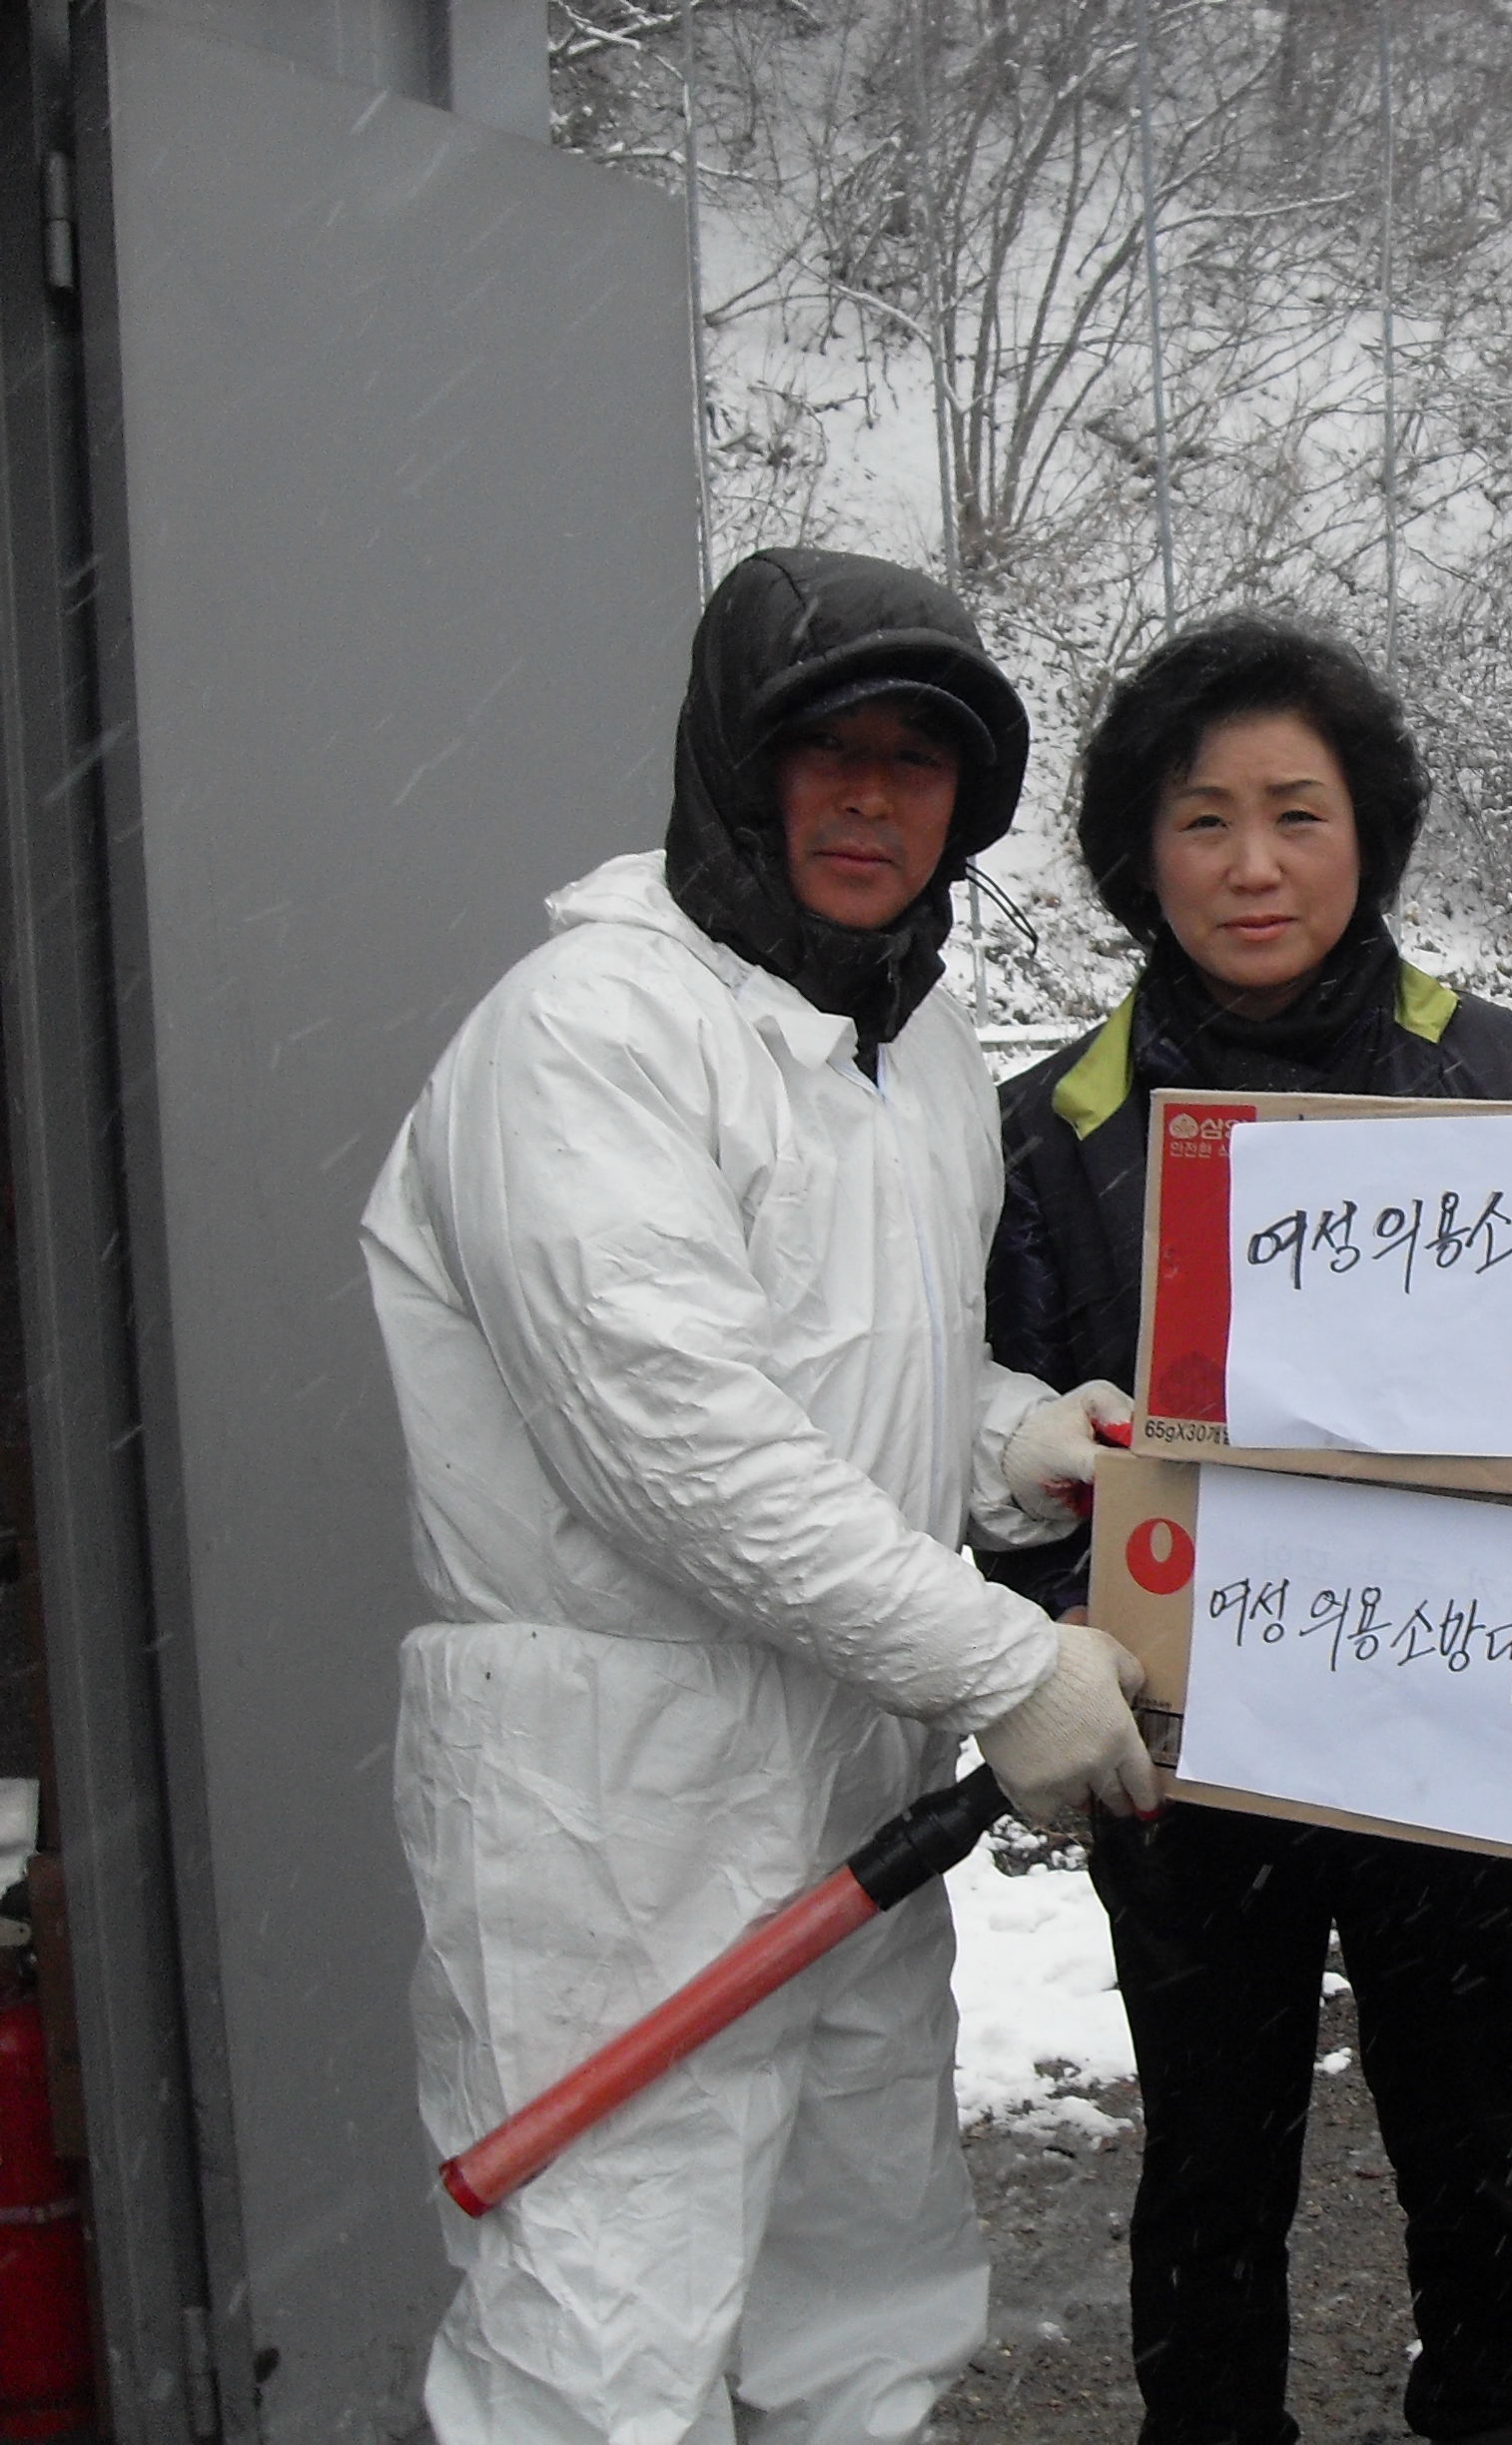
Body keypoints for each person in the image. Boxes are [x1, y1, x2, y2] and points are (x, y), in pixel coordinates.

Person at [362, 546, 1159, 2444]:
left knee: (860, 2287)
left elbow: (859, 1367)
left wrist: (1009, 1440)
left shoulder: (916, 1049)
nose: (873, 800)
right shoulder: (592, 1032)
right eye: (828, 752)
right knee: (601, 2329)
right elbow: (677, 1449)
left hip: (847, 1758)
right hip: (614, 1785)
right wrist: (999, 1662)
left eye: (918, 761)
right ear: (737, 767)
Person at [983, 614, 1512, 2445]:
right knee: (1212, 2149)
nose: (1254, 865)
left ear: (1367, 833)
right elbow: (999, 1435)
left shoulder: (1486, 1072)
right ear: (1137, 852)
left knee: (1472, 2119)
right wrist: (1058, 1620)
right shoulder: (1054, 1125)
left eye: (1297, 814)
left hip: (1444, 1712)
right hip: (1191, 1747)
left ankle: (1489, 2410)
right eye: (1204, 818)